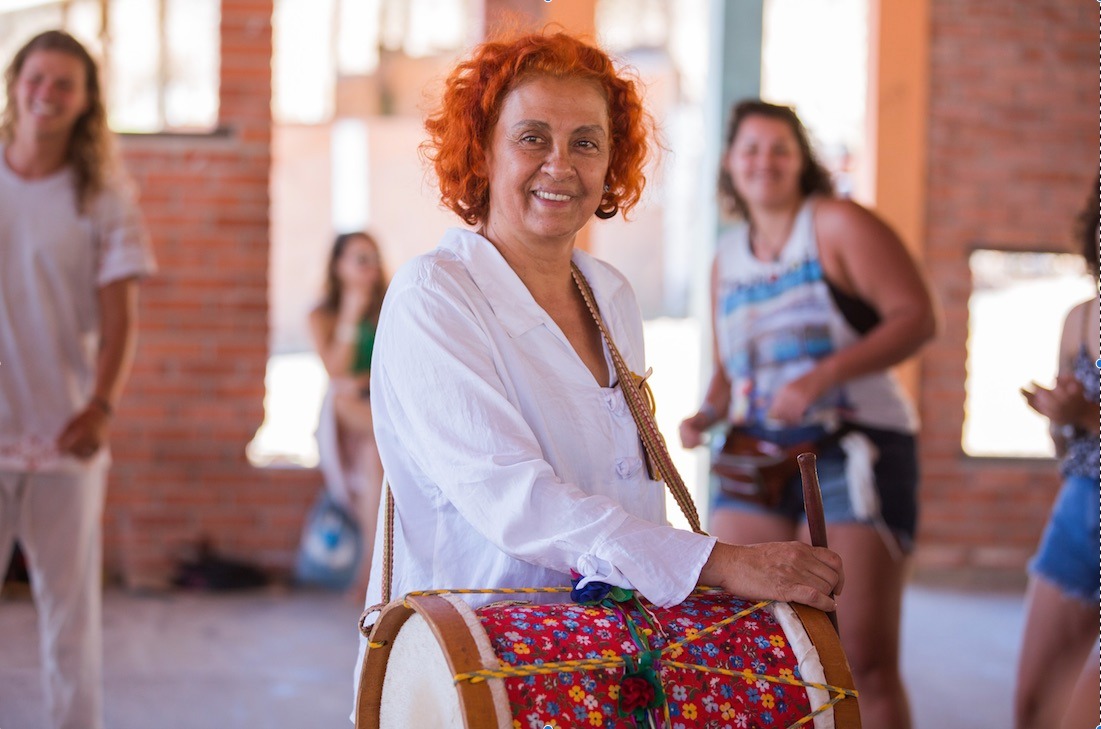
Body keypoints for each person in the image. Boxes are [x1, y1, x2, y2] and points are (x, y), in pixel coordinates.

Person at [354, 32, 844, 703]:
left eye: (585, 141)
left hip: (608, 664)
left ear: (612, 161)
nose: (560, 164)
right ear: (483, 151)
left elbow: (626, 493)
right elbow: (515, 499)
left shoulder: (608, 292)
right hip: (473, 674)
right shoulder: (433, 294)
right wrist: (721, 562)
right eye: (532, 137)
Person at [678, 100, 937, 729]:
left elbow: (916, 319)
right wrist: (705, 414)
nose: (764, 161)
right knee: (742, 633)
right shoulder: (724, 259)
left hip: (851, 447)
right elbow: (731, 368)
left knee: (857, 654)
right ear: (730, 165)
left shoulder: (836, 224)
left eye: (780, 149)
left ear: (801, 163)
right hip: (755, 448)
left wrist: (821, 377)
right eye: (750, 149)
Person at [0, 30, 155, 729]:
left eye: (65, 83)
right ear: (14, 82)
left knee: (69, 622)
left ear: (86, 101)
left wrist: (100, 407)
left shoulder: (104, 196)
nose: (48, 93)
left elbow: (121, 318)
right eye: (38, 77)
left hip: (67, 433)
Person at [1014, 180, 1099, 729]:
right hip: (1080, 505)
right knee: (1034, 704)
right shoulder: (1080, 318)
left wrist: (1087, 417)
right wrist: (1059, 417)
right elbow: (1063, 448)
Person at [308, 231, 387, 591]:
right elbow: (336, 371)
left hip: (380, 400)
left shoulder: (390, 303)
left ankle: (371, 570)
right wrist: (352, 313)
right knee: (373, 427)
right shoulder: (321, 314)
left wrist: (369, 379)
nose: (368, 266)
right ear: (339, 266)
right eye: (359, 258)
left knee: (375, 457)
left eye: (372, 257)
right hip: (345, 406)